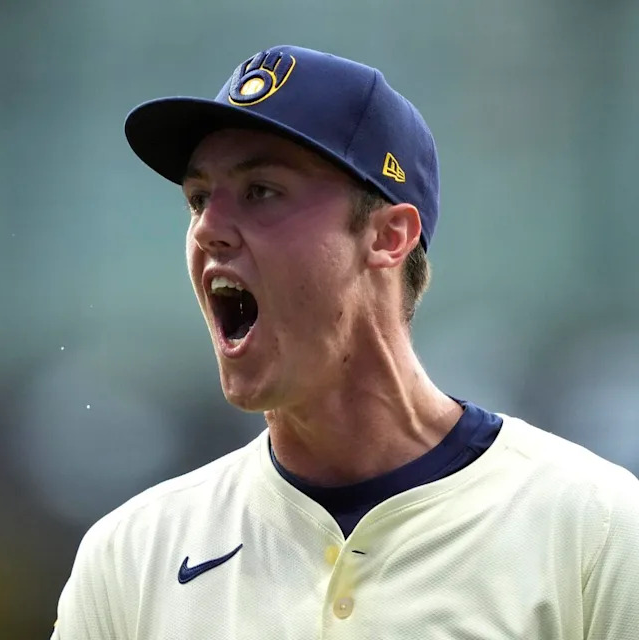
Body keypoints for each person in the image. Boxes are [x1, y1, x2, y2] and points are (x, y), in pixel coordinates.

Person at [50, 45, 639, 639]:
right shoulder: (130, 561)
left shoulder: (595, 528)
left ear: (389, 237)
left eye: (260, 191)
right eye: (199, 199)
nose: (206, 229)